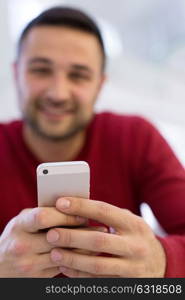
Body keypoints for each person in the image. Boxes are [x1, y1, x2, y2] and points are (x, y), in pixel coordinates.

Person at [0, 6, 185, 278]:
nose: (58, 93)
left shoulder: (136, 137)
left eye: (78, 75)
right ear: (16, 74)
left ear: (100, 85)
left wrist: (162, 261)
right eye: (40, 70)